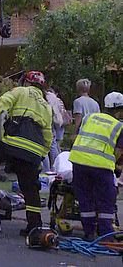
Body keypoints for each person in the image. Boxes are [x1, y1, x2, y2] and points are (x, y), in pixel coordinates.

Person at [0, 71, 53, 236]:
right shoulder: (46, 105)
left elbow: (1, 104)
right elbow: (48, 135)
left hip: (13, 145)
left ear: (26, 82)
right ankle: (34, 226)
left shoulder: (21, 91)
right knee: (30, 189)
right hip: (33, 152)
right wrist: (41, 155)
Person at [69, 91, 123, 241]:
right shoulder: (119, 126)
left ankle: (89, 233)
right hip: (100, 166)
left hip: (78, 162)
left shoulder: (89, 118)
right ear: (118, 110)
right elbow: (118, 151)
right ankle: (106, 235)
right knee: (106, 200)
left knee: (85, 198)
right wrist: (116, 166)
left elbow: (76, 136)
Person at [43, 87, 69, 171]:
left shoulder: (45, 96)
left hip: (46, 122)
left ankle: (48, 169)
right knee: (54, 145)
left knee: (45, 147)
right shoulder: (55, 98)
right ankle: (57, 166)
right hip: (55, 123)